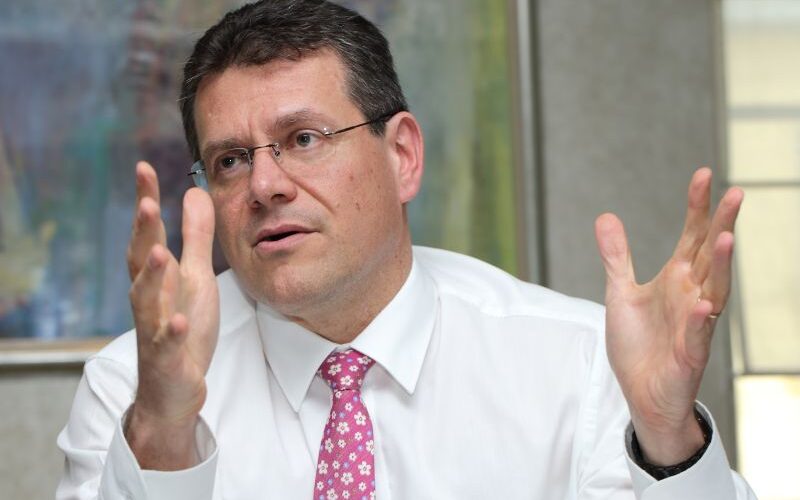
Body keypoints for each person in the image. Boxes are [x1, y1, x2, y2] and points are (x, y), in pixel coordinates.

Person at [57, 1, 757, 498]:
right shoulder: (132, 390)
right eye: (231, 160)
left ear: (402, 156)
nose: (265, 185)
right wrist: (166, 430)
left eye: (304, 139)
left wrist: (668, 438)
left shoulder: (579, 362)